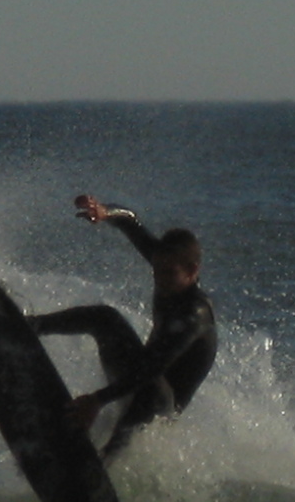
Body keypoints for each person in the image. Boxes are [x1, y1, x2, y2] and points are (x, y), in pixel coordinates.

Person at [30, 194, 217, 461]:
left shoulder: (196, 313)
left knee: (151, 387)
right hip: (134, 388)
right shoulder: (166, 263)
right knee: (104, 317)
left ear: (192, 270)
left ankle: (106, 462)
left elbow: (155, 365)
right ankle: (27, 327)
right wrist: (106, 213)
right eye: (157, 271)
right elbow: (131, 223)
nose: (160, 280)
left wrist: (98, 399)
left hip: (158, 410)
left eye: (168, 274)